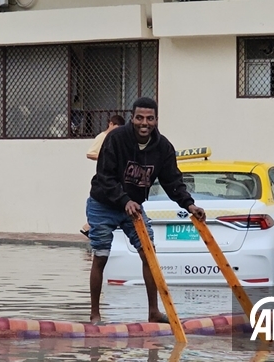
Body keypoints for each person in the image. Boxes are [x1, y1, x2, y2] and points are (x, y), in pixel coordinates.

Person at [86, 97, 205, 325]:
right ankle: (95, 315)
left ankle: (153, 312)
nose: (144, 123)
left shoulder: (163, 147)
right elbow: (105, 176)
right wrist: (124, 200)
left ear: (156, 120)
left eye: (150, 119)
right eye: (139, 118)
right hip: (103, 204)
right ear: (132, 118)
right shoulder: (116, 138)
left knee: (148, 254)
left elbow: (173, 182)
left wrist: (189, 205)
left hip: (133, 209)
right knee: (101, 255)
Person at [81, 115, 127, 235]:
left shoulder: (117, 138)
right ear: (110, 124)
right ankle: (89, 226)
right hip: (103, 175)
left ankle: (89, 226)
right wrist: (106, 157)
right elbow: (90, 153)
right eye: (115, 128)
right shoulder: (102, 136)